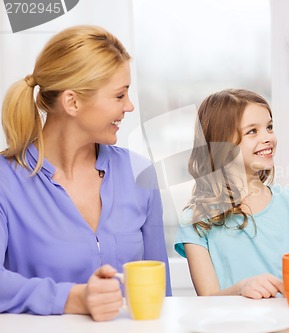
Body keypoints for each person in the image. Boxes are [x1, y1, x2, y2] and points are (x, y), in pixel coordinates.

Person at [0, 25, 171, 321]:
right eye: (119, 96)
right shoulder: (6, 181)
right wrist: (73, 298)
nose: (129, 106)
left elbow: (160, 294)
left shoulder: (139, 172)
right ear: (72, 102)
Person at [174, 89, 289, 299]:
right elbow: (208, 299)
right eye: (253, 131)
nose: (268, 137)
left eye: (269, 127)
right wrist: (241, 289)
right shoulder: (195, 220)